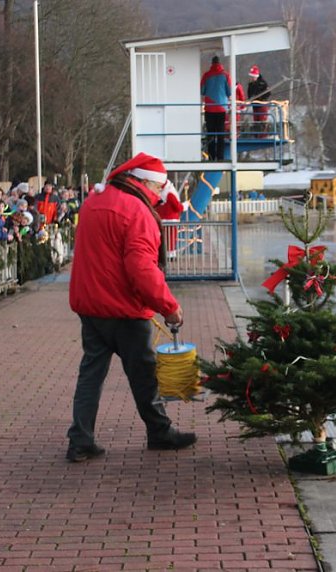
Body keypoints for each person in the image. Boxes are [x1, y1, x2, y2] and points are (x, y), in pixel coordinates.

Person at [66, 151, 196, 462]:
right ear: (142, 183)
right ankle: (160, 432)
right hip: (124, 309)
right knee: (144, 374)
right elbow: (142, 268)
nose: (157, 197)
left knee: (91, 375)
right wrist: (170, 306)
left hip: (91, 305)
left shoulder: (94, 201)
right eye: (157, 190)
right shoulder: (137, 212)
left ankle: (81, 439)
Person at [200, 55, 231, 161]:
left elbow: (202, 91)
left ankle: (212, 157)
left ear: (211, 64)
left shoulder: (206, 75)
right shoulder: (225, 75)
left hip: (209, 108)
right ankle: (220, 157)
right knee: (221, 134)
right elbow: (229, 92)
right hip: (222, 108)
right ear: (220, 64)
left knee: (211, 135)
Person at [246, 64, 270, 132]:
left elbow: (268, 93)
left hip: (262, 105)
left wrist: (261, 98)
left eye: (253, 77)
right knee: (256, 122)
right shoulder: (251, 84)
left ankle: (262, 135)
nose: (252, 78)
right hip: (255, 106)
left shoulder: (262, 83)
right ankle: (257, 135)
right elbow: (249, 94)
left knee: (262, 122)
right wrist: (251, 98)